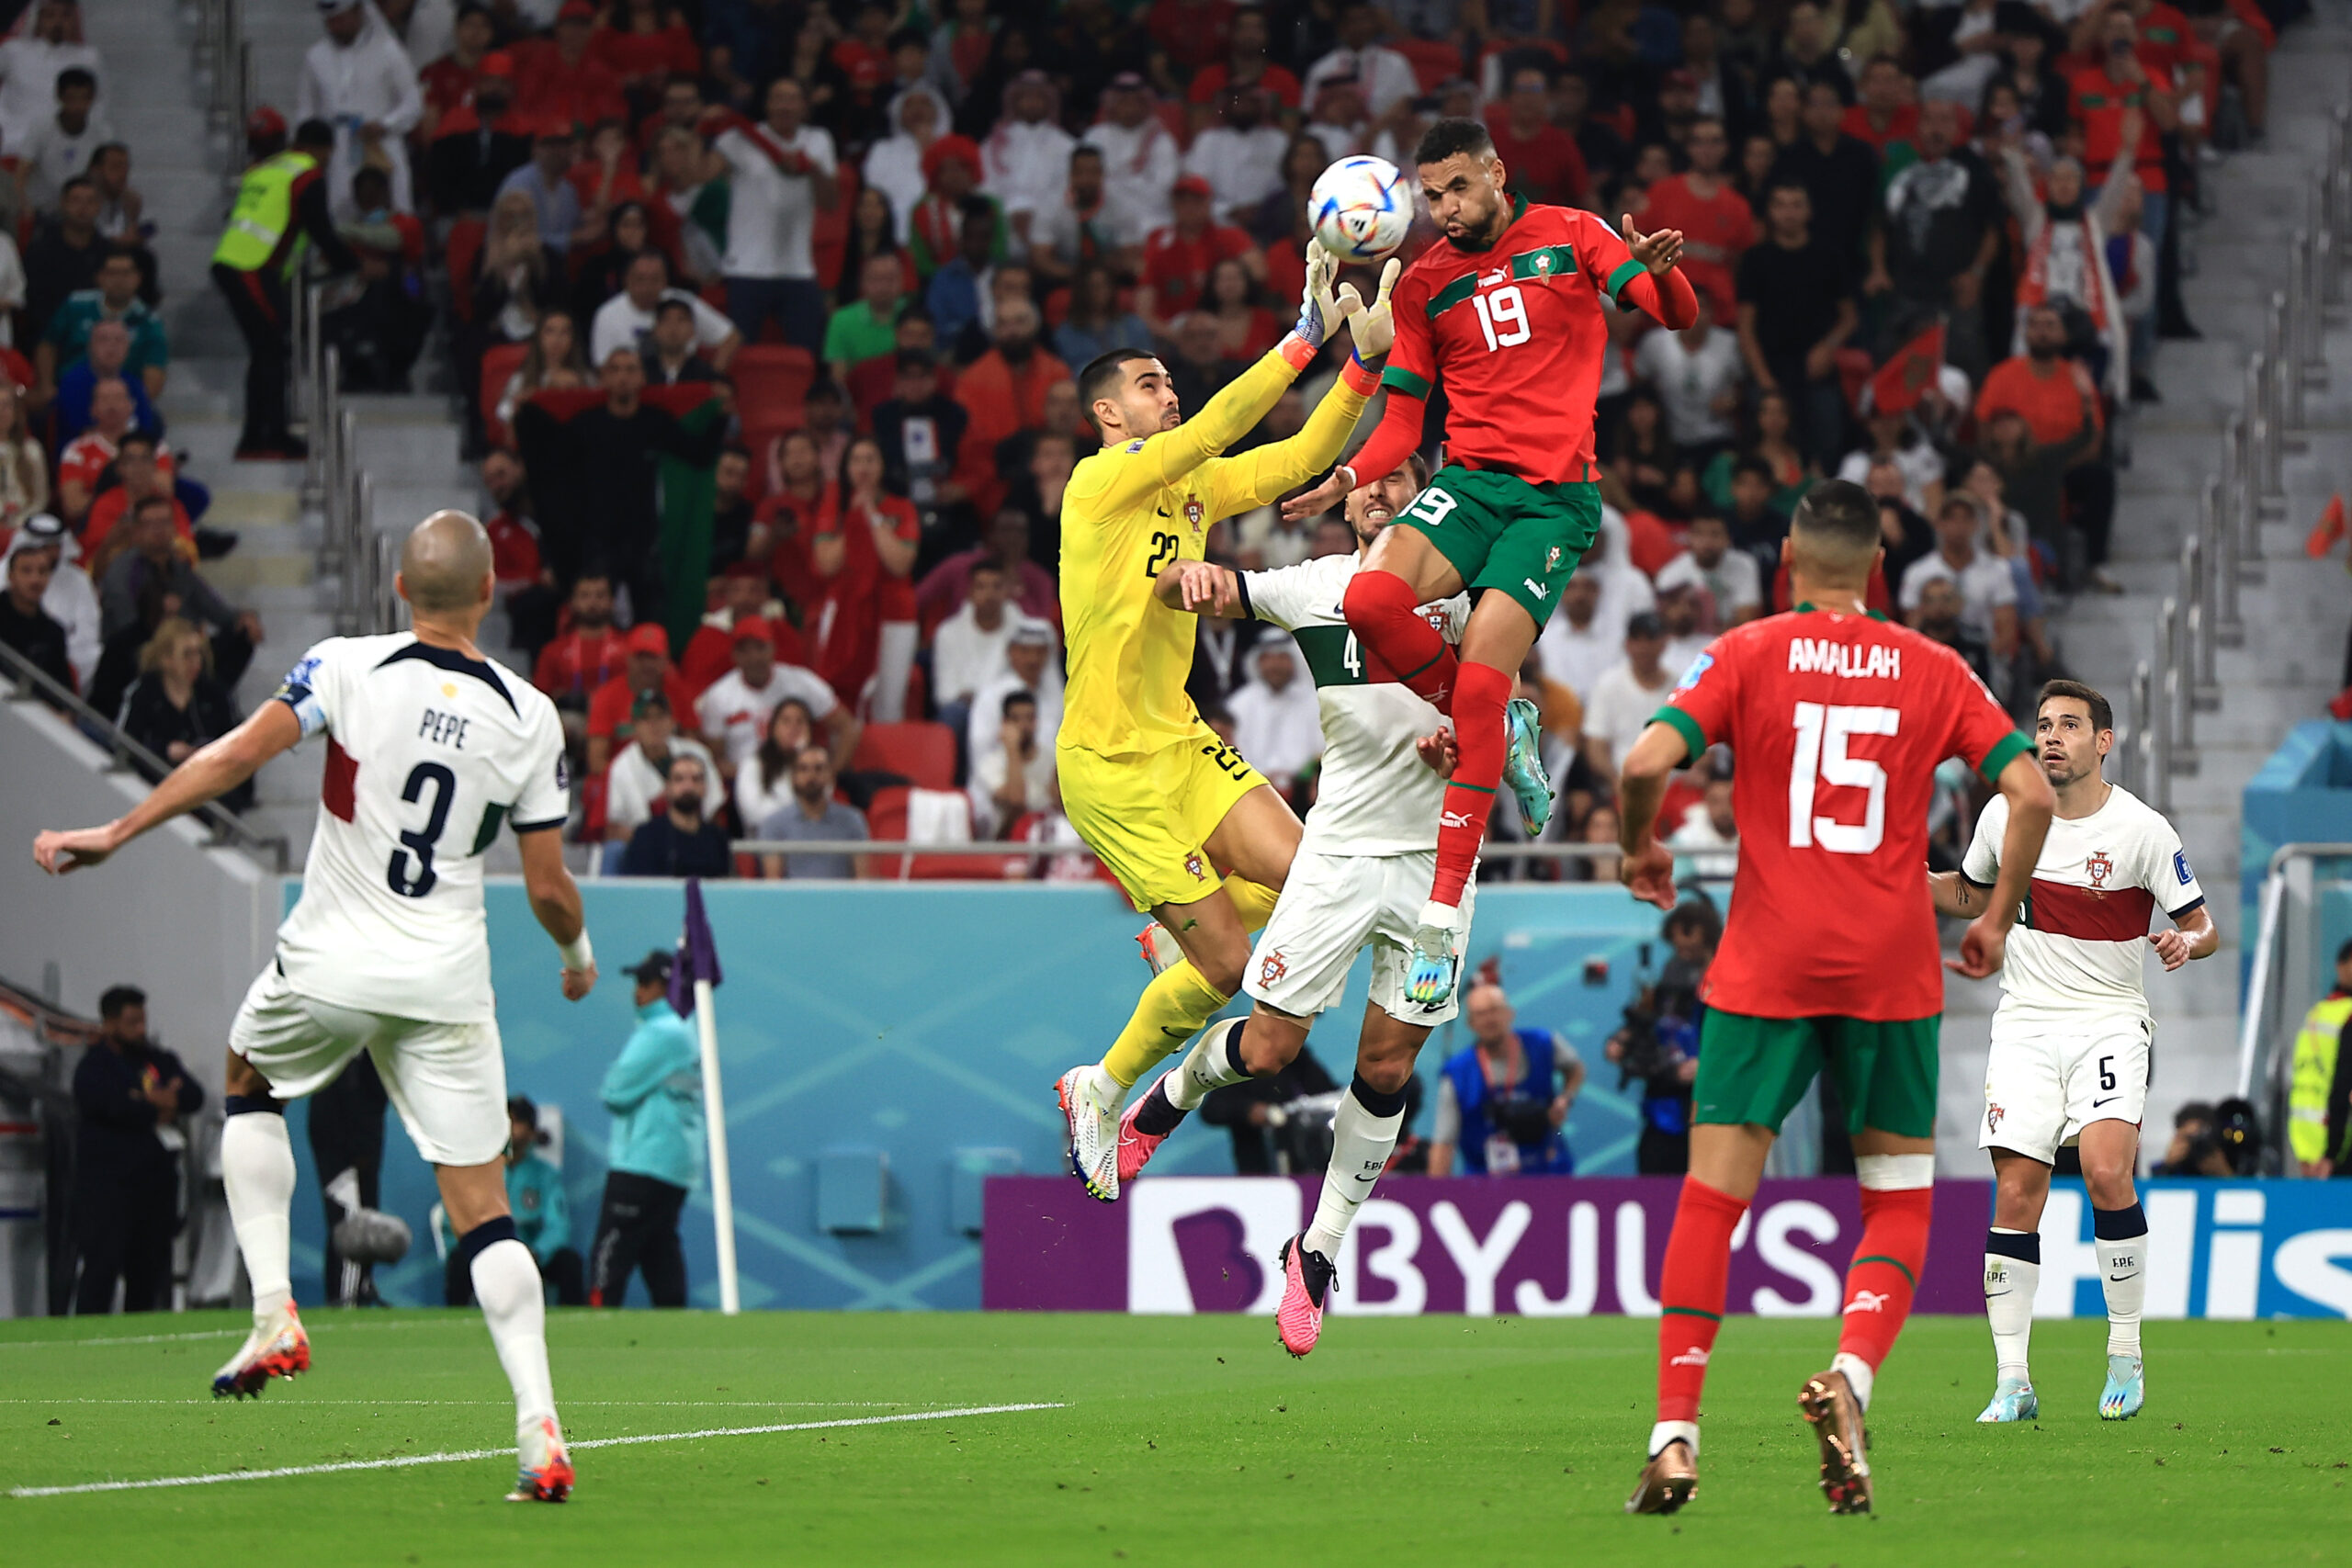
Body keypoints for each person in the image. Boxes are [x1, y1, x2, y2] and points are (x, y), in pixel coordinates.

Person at [32, 510, 591, 1501]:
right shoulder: (530, 714)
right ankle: (539, 1427)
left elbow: (237, 755)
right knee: (483, 1211)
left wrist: (119, 830)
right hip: (445, 980)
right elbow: (548, 887)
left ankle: (275, 1311)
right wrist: (578, 954)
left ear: (400, 592)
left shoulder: (345, 666)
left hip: (333, 961)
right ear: (492, 592)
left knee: (248, 1081)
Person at [1612, 479, 2053, 1516]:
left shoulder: (1748, 650)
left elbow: (1642, 760)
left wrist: (1640, 845)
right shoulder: (1934, 667)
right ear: (1880, 572)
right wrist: (1993, 917)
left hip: (1766, 963)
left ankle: (1675, 1432)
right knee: (1896, 1203)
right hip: (1889, 970)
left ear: (1785, 564)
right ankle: (1849, 1379)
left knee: (1713, 1200)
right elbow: (2030, 789)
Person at [1279, 116, 1701, 1015]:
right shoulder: (1427, 281)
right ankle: (1499, 725)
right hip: (1466, 488)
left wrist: (1664, 274)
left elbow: (1678, 316)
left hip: (1552, 500)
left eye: (1457, 189)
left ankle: (1438, 917)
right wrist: (1348, 475)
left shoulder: (1575, 234)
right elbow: (1402, 422)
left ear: (1496, 174)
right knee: (1370, 600)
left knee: (1474, 684)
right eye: (1430, 196)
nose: (1443, 209)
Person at [1048, 246, 1398, 1203]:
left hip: (1180, 741)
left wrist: (1360, 365)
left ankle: (1181, 924)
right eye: (1148, 384)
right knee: (1229, 966)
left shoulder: (1189, 491)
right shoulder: (1096, 486)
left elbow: (1296, 459)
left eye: (1170, 382)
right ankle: (1103, 1086)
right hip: (1108, 766)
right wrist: (1303, 337)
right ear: (1108, 414)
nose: (1169, 393)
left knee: (1314, 877)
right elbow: (1212, 429)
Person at [1928, 680, 2216, 1426]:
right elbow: (1970, 893)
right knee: (2018, 1195)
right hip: (2025, 1024)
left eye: (2068, 726)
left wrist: (2186, 940)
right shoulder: (2006, 812)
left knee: (2104, 1170)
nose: (2050, 736)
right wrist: (1892, 880)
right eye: (2043, 725)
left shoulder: (2142, 829)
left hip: (2110, 1019)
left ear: (2103, 742)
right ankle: (2013, 1380)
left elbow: (2203, 923)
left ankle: (2124, 1351)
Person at [212, 113, 358, 460]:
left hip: (234, 260)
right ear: (322, 150)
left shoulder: (265, 169)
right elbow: (320, 229)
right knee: (273, 351)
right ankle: (268, 436)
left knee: (267, 351)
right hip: (254, 265)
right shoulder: (306, 175)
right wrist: (350, 265)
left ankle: (255, 436)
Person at [71, 984, 200, 1314]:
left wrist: (147, 1098)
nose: (140, 1029)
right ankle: (83, 1342)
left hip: (154, 1187)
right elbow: (110, 1105)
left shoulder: (157, 1060)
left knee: (148, 1275)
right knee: (102, 1269)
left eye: (142, 1020)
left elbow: (192, 1095)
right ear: (110, 1024)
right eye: (131, 1022)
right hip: (109, 1191)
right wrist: (152, 1101)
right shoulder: (94, 1068)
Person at [588, 952, 703, 1308]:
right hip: (675, 1165)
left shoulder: (660, 1032)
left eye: (645, 982)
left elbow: (614, 1091)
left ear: (666, 986)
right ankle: (676, 1341)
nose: (636, 991)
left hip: (643, 1161)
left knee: (610, 1253)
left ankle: (596, 1333)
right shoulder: (685, 1029)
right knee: (660, 1252)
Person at [704, 76, 839, 355]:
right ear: (766, 104)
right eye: (777, 98)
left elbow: (831, 202)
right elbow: (698, 177)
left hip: (799, 269)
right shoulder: (738, 138)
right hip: (746, 268)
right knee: (739, 355)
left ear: (804, 106)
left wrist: (810, 168)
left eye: (792, 99)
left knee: (809, 354)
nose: (784, 106)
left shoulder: (819, 140)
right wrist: (697, 130)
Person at [1735, 182, 1858, 470]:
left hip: (1818, 369)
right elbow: (1745, 326)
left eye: (1796, 204)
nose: (1788, 213)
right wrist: (1764, 380)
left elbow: (1850, 317)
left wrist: (1828, 347)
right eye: (1781, 204)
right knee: (1760, 455)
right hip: (1770, 369)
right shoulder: (1755, 260)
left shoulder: (1829, 256)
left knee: (1827, 449)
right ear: (1770, 212)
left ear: (1809, 211)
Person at [1428, 978, 1585, 1177]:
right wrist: (1435, 1193)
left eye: (1494, 1010)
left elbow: (1576, 1068)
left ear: (1510, 1013)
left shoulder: (1544, 1043)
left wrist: (1566, 1098)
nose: (1489, 1020)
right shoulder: (1456, 1073)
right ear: (1470, 1023)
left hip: (1549, 1173)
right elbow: (1444, 1141)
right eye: (1480, 1014)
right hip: (1484, 1182)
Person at [449, 1097, 585, 1308]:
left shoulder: (545, 1175)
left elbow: (558, 1225)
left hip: (531, 1255)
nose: (509, 1128)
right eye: (505, 1120)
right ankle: (453, 1324)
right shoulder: (481, 1172)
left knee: (570, 1263)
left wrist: (537, 1251)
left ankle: (573, 1325)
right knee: (459, 1260)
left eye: (516, 1121)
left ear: (532, 1132)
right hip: (488, 1252)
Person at [299, 0, 424, 219]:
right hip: (334, 153)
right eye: (330, 22)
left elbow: (413, 103)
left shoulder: (389, 51)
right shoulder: (315, 57)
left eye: (340, 20)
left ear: (358, 12)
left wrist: (385, 124)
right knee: (337, 215)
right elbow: (306, 111)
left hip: (380, 147)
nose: (334, 27)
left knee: (392, 215)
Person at [694, 614, 851, 777]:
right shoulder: (718, 696)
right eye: (745, 651)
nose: (754, 657)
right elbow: (717, 759)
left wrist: (832, 771)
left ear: (773, 648)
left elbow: (847, 727)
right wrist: (751, 777)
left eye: (760, 648)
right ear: (734, 655)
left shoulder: (801, 681)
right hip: (743, 778)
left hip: (800, 775)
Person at [119, 615, 252, 809]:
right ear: (165, 659)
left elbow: (237, 740)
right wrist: (166, 750)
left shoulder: (215, 694)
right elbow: (126, 745)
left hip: (209, 792)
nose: (195, 662)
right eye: (186, 655)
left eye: (198, 653)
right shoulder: (143, 694)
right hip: (153, 789)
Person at [603, 693, 724, 865]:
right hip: (645, 846)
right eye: (646, 718)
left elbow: (714, 810)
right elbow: (615, 827)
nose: (654, 725)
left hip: (696, 838)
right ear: (635, 726)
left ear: (672, 722)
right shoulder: (621, 767)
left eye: (660, 717)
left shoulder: (698, 754)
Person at [587, 249, 739, 370]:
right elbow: (602, 368)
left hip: (683, 385)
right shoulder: (607, 314)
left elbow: (731, 337)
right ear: (626, 281)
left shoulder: (684, 303)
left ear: (666, 281)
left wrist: (713, 376)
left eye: (655, 279)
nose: (647, 287)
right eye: (640, 279)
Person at [1578, 611, 1676, 785]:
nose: (1643, 646)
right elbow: (1596, 747)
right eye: (1637, 639)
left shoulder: (1679, 689)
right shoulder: (1607, 685)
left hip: (1673, 786)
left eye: (1650, 639)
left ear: (1663, 643)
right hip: (1621, 783)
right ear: (1627, 644)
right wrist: (1616, 781)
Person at [2288, 940, 2352, 1178]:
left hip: (2330, 1152)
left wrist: (2329, 1154)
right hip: (2321, 1152)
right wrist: (2323, 1155)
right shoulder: (2326, 1013)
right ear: (2341, 966)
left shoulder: (2319, 1014)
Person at [756, 743, 868, 878]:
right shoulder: (774, 824)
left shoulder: (853, 820)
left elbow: (864, 881)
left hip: (840, 898)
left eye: (819, 769)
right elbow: (773, 884)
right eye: (803, 769)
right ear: (793, 777)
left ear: (830, 775)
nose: (811, 776)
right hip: (793, 899)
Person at [620, 750, 731, 876]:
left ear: (704, 787)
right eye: (679, 779)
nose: (688, 786)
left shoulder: (717, 838)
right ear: (667, 788)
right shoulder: (646, 836)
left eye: (696, 779)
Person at [2, 518, 78, 697]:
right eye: (26, 571)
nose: (35, 580)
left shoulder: (53, 633)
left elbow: (62, 694)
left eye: (42, 572)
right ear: (11, 576)